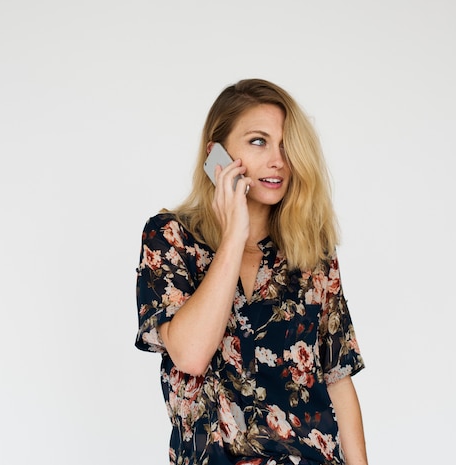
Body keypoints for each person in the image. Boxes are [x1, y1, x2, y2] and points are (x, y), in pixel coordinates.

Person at [135, 78, 367, 465]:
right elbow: (190, 355)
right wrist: (234, 236)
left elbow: (337, 379)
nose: (278, 159)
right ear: (216, 154)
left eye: (285, 144)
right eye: (258, 141)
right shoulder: (170, 237)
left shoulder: (312, 253)